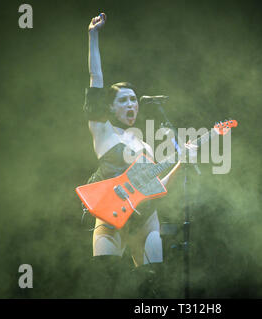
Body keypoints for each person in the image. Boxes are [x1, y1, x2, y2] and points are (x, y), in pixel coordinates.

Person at [81, 12, 181, 298]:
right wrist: (93, 36)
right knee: (106, 283)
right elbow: (95, 77)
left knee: (152, 288)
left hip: (146, 219)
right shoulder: (102, 131)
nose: (131, 105)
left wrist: (180, 165)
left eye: (134, 100)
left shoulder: (144, 146)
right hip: (112, 218)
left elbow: (158, 188)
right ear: (110, 108)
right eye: (123, 100)